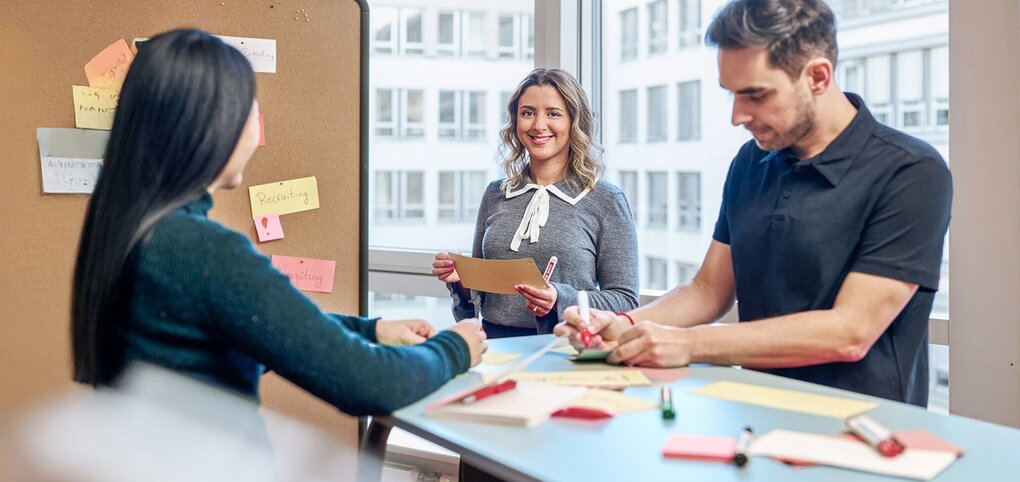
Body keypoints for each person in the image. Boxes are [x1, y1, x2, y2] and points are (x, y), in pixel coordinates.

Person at [71, 29, 486, 415]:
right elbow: (369, 382)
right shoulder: (203, 252)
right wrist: (456, 348)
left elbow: (266, 327)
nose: (256, 124)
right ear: (214, 124)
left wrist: (372, 329)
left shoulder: (134, 230)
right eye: (252, 108)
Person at [556, 0, 952, 406]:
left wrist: (687, 344)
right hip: (757, 410)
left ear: (817, 75)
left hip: (863, 429)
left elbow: (850, 331)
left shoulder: (910, 171)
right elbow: (708, 290)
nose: (737, 116)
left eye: (755, 95)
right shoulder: (750, 162)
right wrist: (623, 324)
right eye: (731, 94)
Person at [432, 68, 639, 339]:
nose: (539, 125)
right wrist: (461, 281)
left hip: (564, 348)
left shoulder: (606, 200)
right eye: (528, 113)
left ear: (573, 122)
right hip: (494, 349)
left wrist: (559, 298)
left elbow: (626, 301)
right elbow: (477, 300)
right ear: (516, 122)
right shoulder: (496, 193)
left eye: (553, 113)